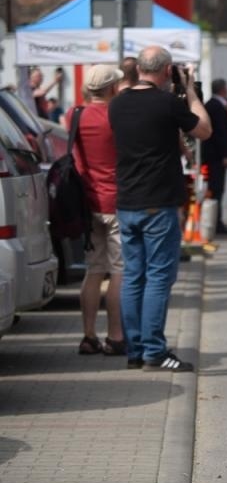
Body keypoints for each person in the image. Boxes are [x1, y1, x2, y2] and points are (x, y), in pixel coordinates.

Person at [109, 45, 212, 372]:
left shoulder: (117, 105)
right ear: (168, 70)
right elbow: (204, 130)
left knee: (133, 277)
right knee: (158, 277)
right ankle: (155, 351)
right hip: (159, 204)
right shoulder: (168, 103)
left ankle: (135, 350)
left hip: (127, 203)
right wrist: (191, 92)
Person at [74, 64, 126, 357]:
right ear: (112, 88)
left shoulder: (75, 115)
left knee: (93, 270)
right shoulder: (116, 116)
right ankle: (116, 336)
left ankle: (88, 335)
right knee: (119, 270)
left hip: (87, 202)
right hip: (117, 200)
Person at [200, 79, 227, 236]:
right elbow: (221, 133)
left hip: (214, 156)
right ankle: (215, 222)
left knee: (216, 189)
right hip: (215, 157)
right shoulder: (216, 106)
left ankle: (214, 220)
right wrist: (226, 155)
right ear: (223, 89)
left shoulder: (213, 105)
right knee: (215, 189)